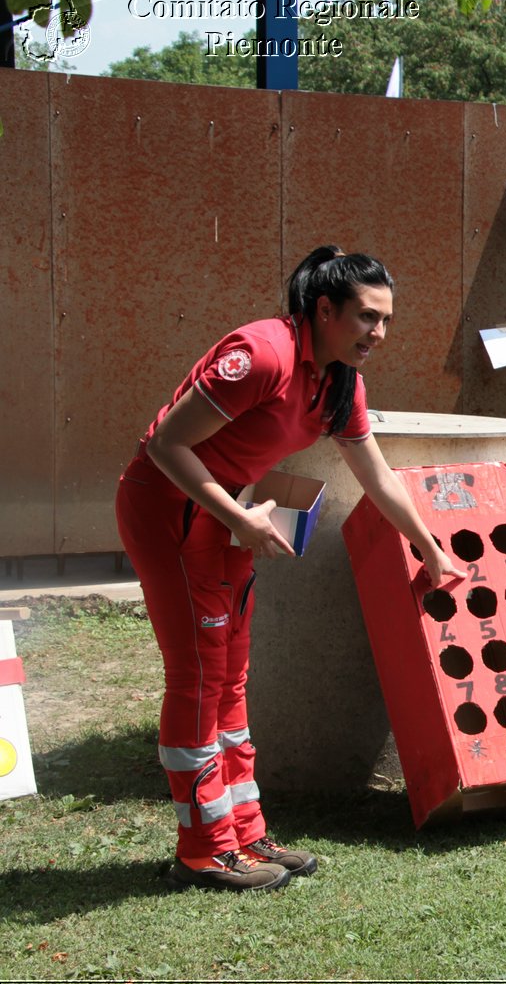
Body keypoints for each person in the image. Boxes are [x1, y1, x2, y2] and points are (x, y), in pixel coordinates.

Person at [116, 246, 463, 893]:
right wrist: (239, 517)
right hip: (169, 509)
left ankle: (243, 831)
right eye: (366, 317)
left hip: (227, 518)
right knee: (197, 671)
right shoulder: (264, 354)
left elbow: (377, 475)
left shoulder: (339, 382)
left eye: (386, 320)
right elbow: (164, 443)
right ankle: (202, 848)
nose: (378, 334)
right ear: (323, 309)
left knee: (230, 672)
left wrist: (429, 546)